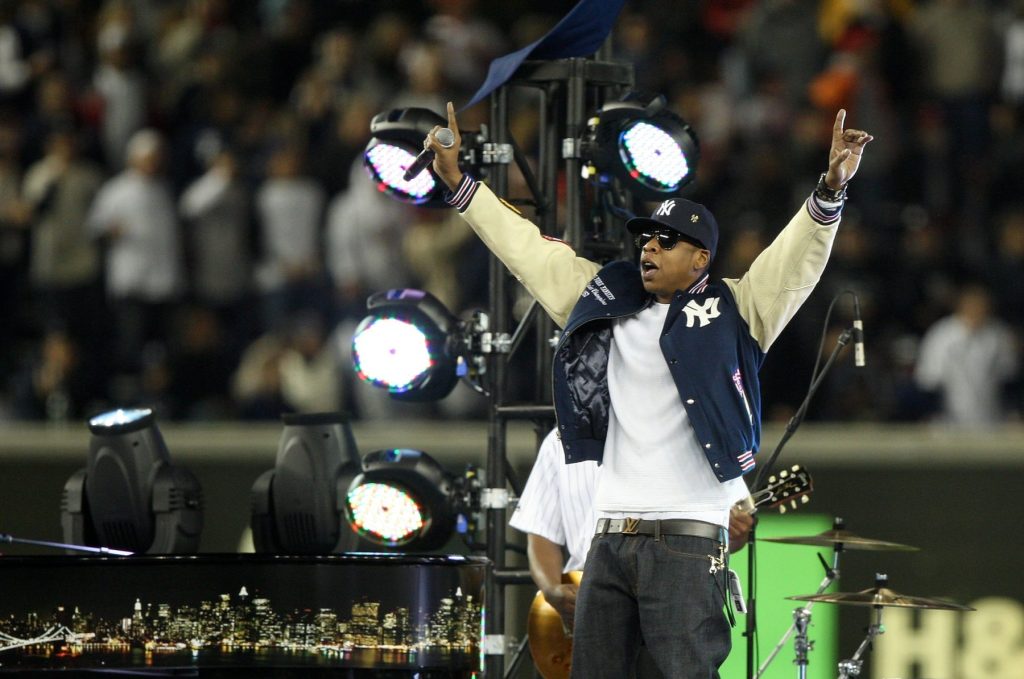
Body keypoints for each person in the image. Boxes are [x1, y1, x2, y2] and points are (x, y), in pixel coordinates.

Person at [427, 102, 872, 678]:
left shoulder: (738, 308)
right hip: (608, 538)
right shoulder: (602, 300)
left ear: (701, 259)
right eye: (646, 239)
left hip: (688, 542)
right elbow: (526, 250)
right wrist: (462, 184)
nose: (649, 248)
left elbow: (795, 262)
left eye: (667, 241)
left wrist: (831, 191)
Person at [510, 429, 756, 658]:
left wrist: (735, 533)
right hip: (586, 597)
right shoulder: (561, 438)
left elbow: (723, 532)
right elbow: (540, 530)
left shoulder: (688, 428)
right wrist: (552, 589)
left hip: (671, 590)